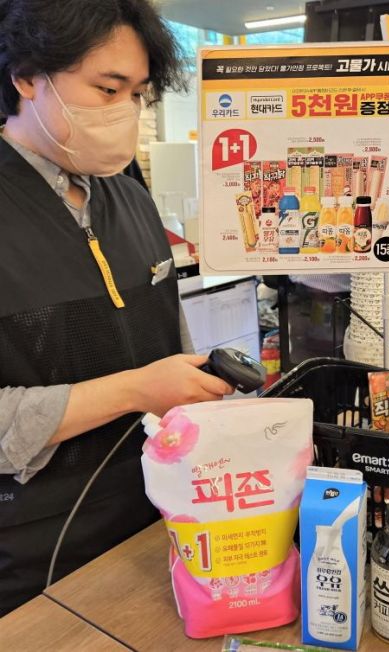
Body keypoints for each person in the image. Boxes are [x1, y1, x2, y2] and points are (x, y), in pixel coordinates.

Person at [0, 0, 234, 615]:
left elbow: (168, 341)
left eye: (138, 94)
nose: (125, 112)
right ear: (27, 77)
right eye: (107, 88)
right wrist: (134, 389)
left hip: (158, 520)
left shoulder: (130, 198)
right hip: (33, 558)